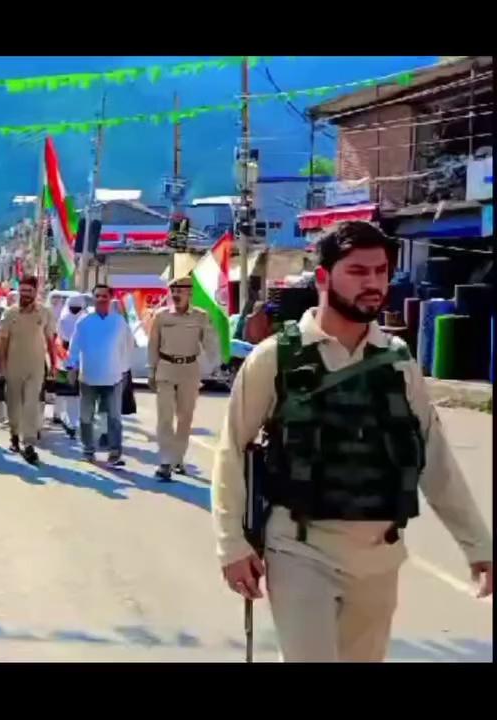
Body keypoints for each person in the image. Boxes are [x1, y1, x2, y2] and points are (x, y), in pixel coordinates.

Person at [213, 220, 493, 663]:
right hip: (300, 548)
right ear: (323, 278)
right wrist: (231, 544)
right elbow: (232, 449)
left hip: (379, 557)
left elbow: (434, 460)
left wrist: (479, 545)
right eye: (358, 272)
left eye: (380, 272)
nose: (373, 283)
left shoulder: (398, 363)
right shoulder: (277, 357)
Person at [148, 275, 217, 481]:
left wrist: (212, 366)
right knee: (165, 417)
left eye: (181, 291)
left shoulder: (200, 317)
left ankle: (178, 458)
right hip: (166, 368)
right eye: (173, 292)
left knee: (185, 417)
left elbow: (211, 343)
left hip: (189, 370)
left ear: (190, 293)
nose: (176, 295)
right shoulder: (161, 316)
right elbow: (153, 345)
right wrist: (151, 371)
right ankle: (165, 462)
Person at [68, 284, 131, 467]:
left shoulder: (119, 322)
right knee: (86, 417)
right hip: (88, 378)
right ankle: (88, 450)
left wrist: (125, 370)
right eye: (98, 296)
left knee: (114, 417)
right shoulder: (84, 322)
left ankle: (115, 453)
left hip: (114, 378)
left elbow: (127, 347)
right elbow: (74, 347)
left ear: (110, 298)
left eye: (105, 296)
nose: (101, 299)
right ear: (93, 298)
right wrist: (71, 366)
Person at [0, 275, 57, 466]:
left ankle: (29, 443)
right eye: (22, 290)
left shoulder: (45, 313)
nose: (25, 294)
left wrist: (54, 363)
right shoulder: (10, 313)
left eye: (29, 291)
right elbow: (3, 342)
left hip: (36, 365)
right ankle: (14, 434)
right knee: (14, 404)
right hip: (14, 365)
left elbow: (50, 340)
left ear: (35, 292)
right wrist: (1, 365)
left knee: (31, 403)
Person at [52, 291, 86, 436]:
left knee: (64, 391)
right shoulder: (85, 318)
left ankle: (61, 416)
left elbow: (58, 336)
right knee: (73, 393)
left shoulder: (63, 318)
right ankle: (71, 419)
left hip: (64, 358)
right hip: (76, 359)